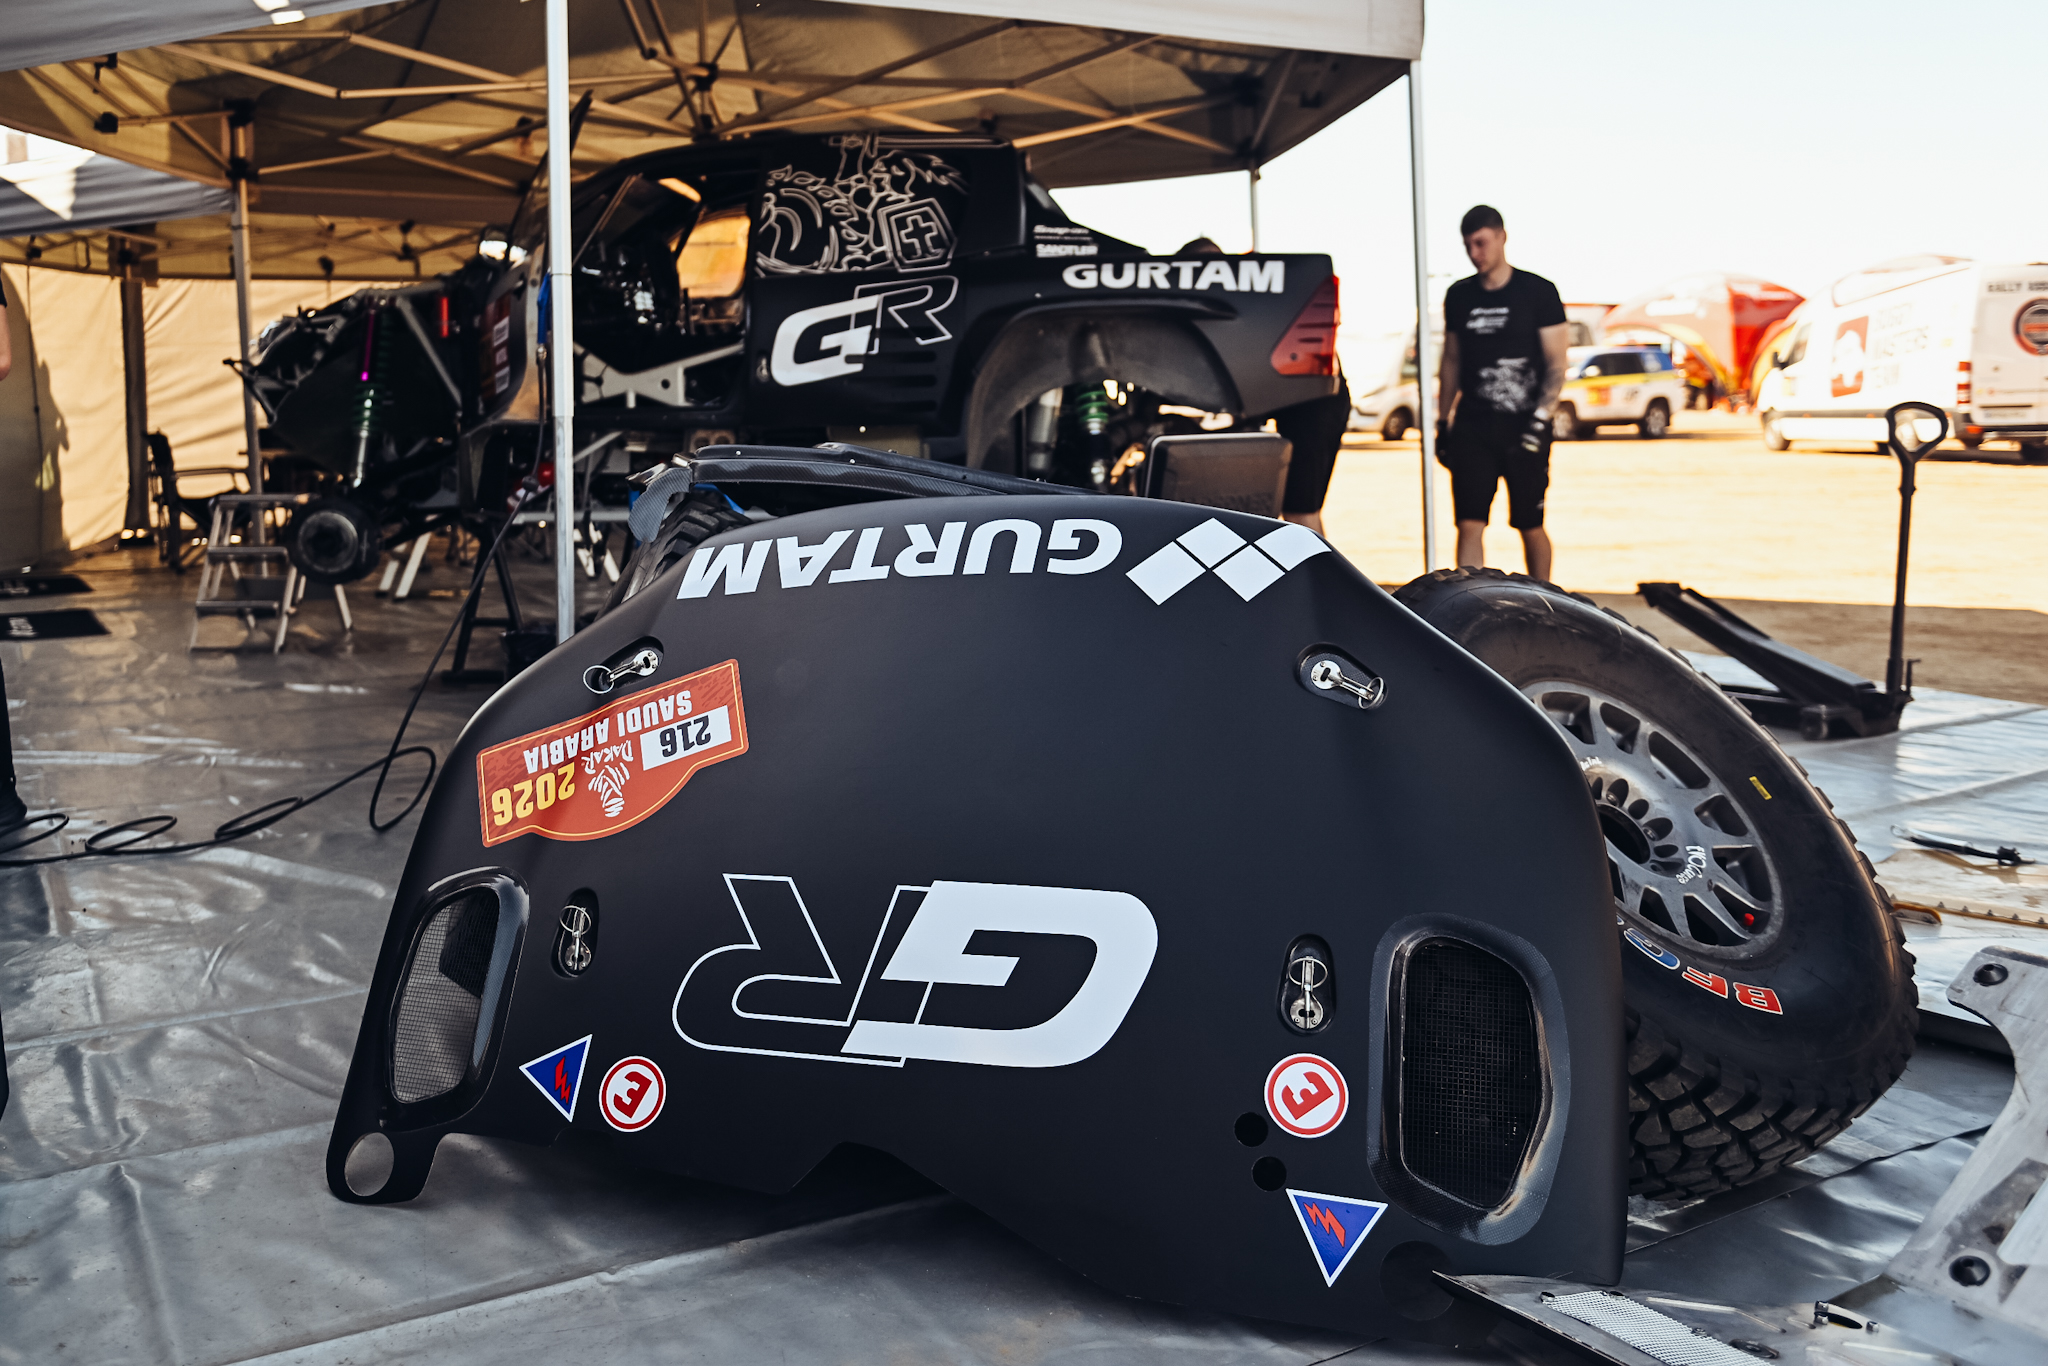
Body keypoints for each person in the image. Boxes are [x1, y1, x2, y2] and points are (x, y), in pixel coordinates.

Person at [1435, 205, 1569, 581]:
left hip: (1525, 425)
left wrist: (1541, 419)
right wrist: (1442, 422)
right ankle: (1470, 600)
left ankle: (1545, 600)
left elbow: (1557, 363)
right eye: (1468, 245)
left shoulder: (1538, 292)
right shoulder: (1459, 296)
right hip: (1473, 426)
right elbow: (1451, 360)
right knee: (1469, 522)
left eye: (1481, 243)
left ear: (1502, 237)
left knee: (1530, 523)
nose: (1474, 253)